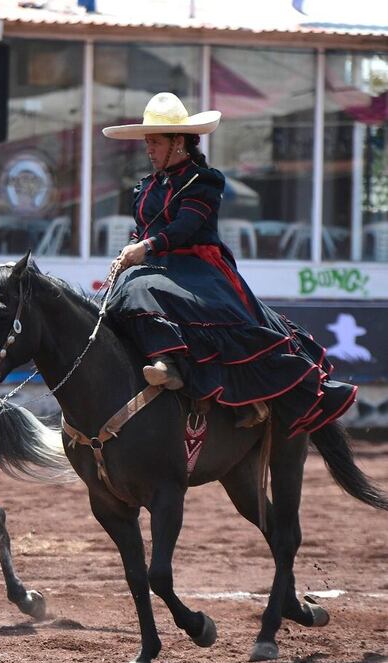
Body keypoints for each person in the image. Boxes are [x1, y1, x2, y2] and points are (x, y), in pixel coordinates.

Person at [101, 92, 357, 436]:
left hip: (196, 267)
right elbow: (144, 229)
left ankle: (171, 365)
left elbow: (184, 229)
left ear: (179, 141)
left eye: (155, 142)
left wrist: (143, 249)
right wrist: (131, 248)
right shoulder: (145, 186)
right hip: (156, 263)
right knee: (114, 296)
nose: (149, 149)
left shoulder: (204, 181)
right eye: (147, 142)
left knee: (138, 286)